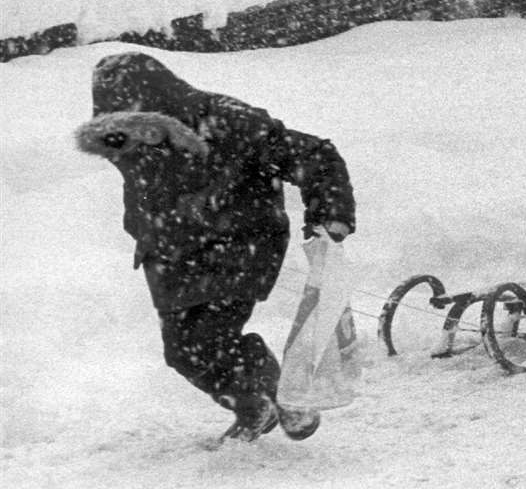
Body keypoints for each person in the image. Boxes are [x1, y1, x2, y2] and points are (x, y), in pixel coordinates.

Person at [76, 52, 355, 444]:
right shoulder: (125, 142)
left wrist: (331, 211)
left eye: (141, 124)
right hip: (172, 254)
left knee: (210, 337)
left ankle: (271, 398)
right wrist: (142, 231)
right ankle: (263, 399)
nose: (135, 137)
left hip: (240, 242)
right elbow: (145, 194)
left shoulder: (225, 119)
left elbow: (313, 155)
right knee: (184, 353)